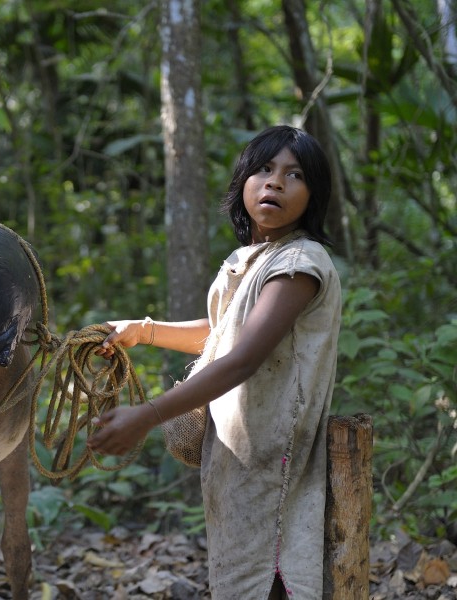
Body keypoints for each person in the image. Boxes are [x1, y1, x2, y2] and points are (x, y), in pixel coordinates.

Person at [87, 125, 342, 600]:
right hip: (239, 463)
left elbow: (244, 358)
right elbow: (226, 334)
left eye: (295, 174)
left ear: (314, 196)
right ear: (244, 181)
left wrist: (146, 416)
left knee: (274, 573)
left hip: (275, 461)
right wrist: (143, 331)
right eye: (264, 169)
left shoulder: (299, 264)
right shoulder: (252, 260)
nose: (275, 183)